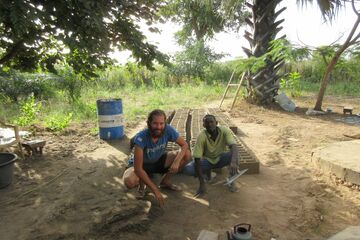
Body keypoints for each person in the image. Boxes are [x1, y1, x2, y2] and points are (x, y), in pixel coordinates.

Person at [123, 109, 191, 206]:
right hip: (141, 165)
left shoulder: (168, 130)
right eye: (155, 123)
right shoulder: (141, 138)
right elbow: (138, 169)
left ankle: (165, 181)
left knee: (187, 154)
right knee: (129, 181)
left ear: (165, 123)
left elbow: (184, 145)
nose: (158, 127)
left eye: (161, 123)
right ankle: (142, 185)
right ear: (149, 123)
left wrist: (176, 161)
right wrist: (155, 190)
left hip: (157, 160)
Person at [183, 114, 240, 196]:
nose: (209, 124)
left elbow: (233, 146)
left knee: (235, 155)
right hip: (207, 161)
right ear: (203, 125)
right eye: (207, 123)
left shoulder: (224, 131)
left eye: (211, 122)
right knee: (188, 169)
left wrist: (233, 162)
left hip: (221, 158)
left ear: (216, 123)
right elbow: (197, 159)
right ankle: (207, 174)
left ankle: (231, 180)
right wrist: (201, 183)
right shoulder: (201, 136)